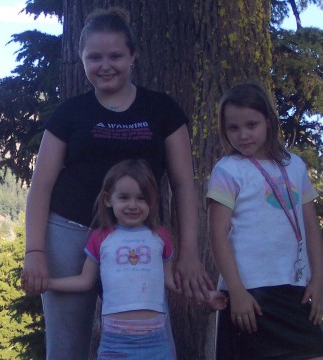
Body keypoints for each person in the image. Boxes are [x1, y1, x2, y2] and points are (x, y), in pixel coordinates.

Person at [21, 6, 214, 359]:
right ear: (81, 58)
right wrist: (34, 251)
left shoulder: (163, 110)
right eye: (94, 57)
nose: (105, 65)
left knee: (151, 338)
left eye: (115, 56)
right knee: (66, 348)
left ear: (133, 56)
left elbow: (184, 185)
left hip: (140, 238)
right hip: (70, 233)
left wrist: (187, 253)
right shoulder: (69, 113)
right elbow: (41, 187)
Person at [24, 159, 227, 359]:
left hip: (156, 341)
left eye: (141, 198)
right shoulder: (101, 238)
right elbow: (85, 281)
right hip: (115, 343)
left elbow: (171, 280)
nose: (133, 205)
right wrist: (48, 283)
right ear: (108, 199)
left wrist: (205, 295)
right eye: (124, 197)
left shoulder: (159, 236)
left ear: (152, 200)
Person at [207, 81, 323, 360]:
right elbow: (217, 234)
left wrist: (319, 279)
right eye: (233, 128)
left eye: (251, 124)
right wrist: (236, 291)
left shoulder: (294, 165)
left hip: (297, 289)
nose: (243, 135)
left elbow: (310, 227)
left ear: (269, 121)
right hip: (249, 294)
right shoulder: (227, 170)